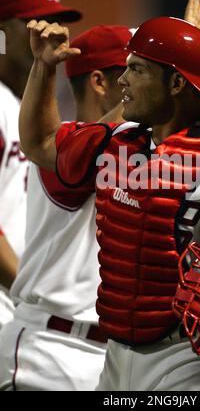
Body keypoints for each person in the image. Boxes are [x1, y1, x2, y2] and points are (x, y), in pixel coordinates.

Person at [19, 16, 200, 392]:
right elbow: (39, 144)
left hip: (186, 356)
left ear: (177, 83)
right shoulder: (115, 141)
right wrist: (44, 67)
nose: (123, 81)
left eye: (137, 70)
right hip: (113, 354)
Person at [0, 25, 133, 391]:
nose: (141, 80)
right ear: (100, 83)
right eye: (134, 70)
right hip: (48, 353)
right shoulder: (62, 146)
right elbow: (91, 143)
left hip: (111, 360)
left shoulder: (132, 151)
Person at [0, 0, 81, 334]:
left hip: (15, 307)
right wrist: (32, 293)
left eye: (58, 21)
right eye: (35, 21)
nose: (52, 32)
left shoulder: (35, 114)